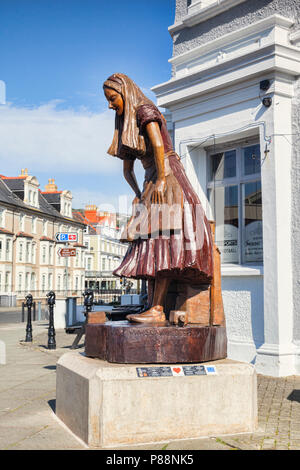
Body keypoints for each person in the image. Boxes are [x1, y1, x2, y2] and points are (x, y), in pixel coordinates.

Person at [103, 73, 213, 323]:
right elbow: (127, 170)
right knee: (149, 242)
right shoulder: (127, 122)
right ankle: (153, 307)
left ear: (124, 92)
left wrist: (162, 179)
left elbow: (159, 145)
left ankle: (157, 309)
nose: (110, 105)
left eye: (112, 99)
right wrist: (138, 195)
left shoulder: (144, 110)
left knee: (162, 239)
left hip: (167, 173)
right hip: (152, 177)